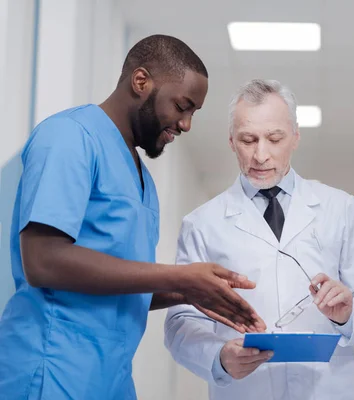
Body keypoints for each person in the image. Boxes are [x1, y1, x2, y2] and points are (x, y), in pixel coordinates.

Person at [0, 34, 265, 400]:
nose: (186, 124)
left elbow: (117, 279)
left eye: (193, 113)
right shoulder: (69, 137)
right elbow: (43, 260)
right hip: (52, 369)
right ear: (141, 82)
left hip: (111, 378)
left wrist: (186, 290)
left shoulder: (141, 177)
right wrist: (179, 276)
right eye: (182, 106)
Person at [164, 79, 354, 400]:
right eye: (248, 139)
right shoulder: (202, 224)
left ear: (295, 137)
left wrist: (348, 313)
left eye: (274, 138)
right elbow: (180, 322)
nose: (260, 155)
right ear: (231, 141)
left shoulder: (339, 207)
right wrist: (219, 357)